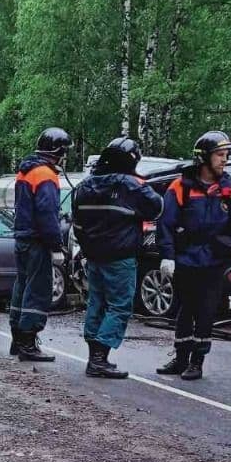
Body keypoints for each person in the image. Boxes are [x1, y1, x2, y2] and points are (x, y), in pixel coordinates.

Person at [155, 130, 231, 380]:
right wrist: (167, 255)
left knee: (207, 311)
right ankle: (181, 357)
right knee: (185, 309)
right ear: (204, 158)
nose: (224, 160)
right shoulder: (180, 187)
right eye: (220, 155)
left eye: (226, 155)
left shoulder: (230, 189)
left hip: (214, 261)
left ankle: (197, 361)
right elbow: (166, 224)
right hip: (186, 259)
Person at [72, 136, 164, 378]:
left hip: (94, 257)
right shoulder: (130, 185)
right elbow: (157, 206)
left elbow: (77, 224)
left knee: (97, 303)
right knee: (120, 306)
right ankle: (100, 358)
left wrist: (87, 247)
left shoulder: (85, 186)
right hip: (120, 257)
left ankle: (95, 357)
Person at [9, 127, 71, 362]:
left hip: (23, 238)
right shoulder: (46, 175)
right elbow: (47, 214)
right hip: (37, 242)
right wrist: (56, 246)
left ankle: (18, 339)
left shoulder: (26, 172)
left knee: (22, 288)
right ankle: (28, 343)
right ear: (58, 151)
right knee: (37, 291)